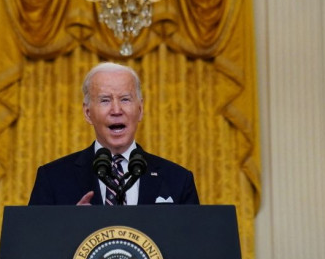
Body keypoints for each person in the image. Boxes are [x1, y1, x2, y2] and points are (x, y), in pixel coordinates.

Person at [28, 62, 200, 205]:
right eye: (105, 100)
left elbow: (194, 243)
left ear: (140, 110)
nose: (116, 110)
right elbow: (33, 242)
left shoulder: (178, 179)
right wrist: (72, 227)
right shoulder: (53, 178)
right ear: (88, 113)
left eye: (125, 99)